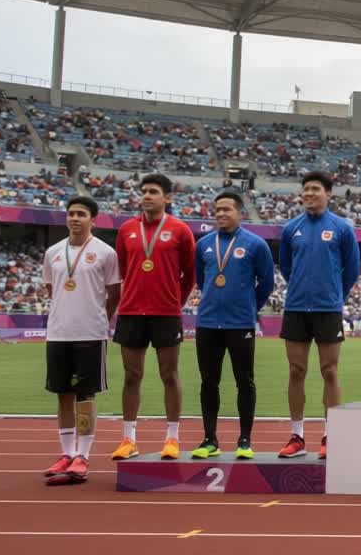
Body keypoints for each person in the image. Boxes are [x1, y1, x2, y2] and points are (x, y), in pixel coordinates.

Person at [111, 174, 196, 461]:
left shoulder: (180, 230)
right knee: (131, 375)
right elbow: (124, 269)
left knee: (169, 374)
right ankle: (128, 439)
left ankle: (172, 438)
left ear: (167, 198)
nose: (147, 196)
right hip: (131, 312)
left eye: (153, 192)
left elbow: (190, 273)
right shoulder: (126, 230)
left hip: (166, 313)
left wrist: (175, 302)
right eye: (144, 191)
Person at [277, 171, 360, 460]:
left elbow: (351, 269)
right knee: (295, 370)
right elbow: (286, 267)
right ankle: (297, 436)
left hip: (328, 309)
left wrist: (335, 295)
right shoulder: (290, 228)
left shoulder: (342, 228)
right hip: (296, 308)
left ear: (328, 193)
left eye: (315, 189)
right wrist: (302, 288)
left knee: (330, 371)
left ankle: (329, 435)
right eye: (306, 189)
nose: (309, 194)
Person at [190, 191, 275, 460]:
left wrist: (249, 307)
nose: (221, 214)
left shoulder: (256, 244)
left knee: (244, 381)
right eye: (217, 210)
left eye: (227, 209)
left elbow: (267, 282)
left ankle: (245, 440)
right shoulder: (203, 244)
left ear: (240, 213)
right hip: (207, 322)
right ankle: (209, 439)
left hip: (240, 324)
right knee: (208, 382)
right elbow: (201, 280)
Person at [41, 196, 120, 483]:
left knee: (86, 396)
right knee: (62, 393)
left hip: (91, 333)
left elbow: (114, 294)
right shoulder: (53, 252)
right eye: (71, 213)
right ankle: (66, 453)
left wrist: (99, 318)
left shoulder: (106, 253)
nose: (75, 218)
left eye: (81, 214)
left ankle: (82, 456)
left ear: (92, 220)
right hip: (58, 333)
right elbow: (52, 289)